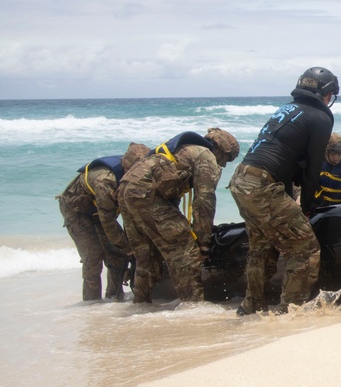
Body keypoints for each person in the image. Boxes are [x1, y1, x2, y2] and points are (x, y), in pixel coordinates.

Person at [229, 67, 338, 315]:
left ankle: (252, 305)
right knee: (303, 247)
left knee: (261, 247)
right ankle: (291, 311)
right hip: (264, 185)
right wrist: (308, 208)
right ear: (328, 94)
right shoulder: (321, 117)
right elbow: (312, 170)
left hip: (242, 180)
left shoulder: (286, 109)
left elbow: (285, 164)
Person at [119, 128, 240, 303]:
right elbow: (204, 201)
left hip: (126, 190)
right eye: (227, 159)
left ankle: (140, 305)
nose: (224, 165)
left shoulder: (183, 150)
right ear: (221, 150)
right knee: (187, 253)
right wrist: (203, 242)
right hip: (147, 195)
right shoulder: (206, 156)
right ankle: (193, 308)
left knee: (147, 257)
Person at [57, 142, 150, 301]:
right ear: (128, 168)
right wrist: (127, 247)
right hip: (77, 212)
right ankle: (91, 305)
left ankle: (114, 299)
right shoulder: (105, 180)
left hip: (100, 211)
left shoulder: (133, 173)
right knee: (93, 259)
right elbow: (107, 220)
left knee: (117, 256)